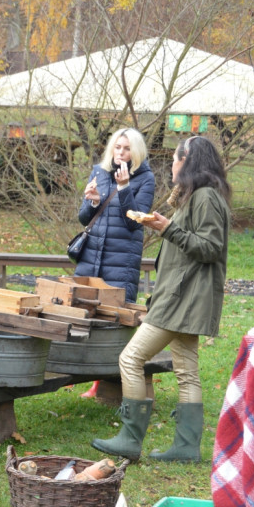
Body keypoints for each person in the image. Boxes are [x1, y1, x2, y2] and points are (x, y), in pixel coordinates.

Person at [91, 135, 230, 462]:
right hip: (183, 296)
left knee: (130, 358)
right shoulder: (195, 196)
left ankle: (130, 437)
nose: (172, 163)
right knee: (187, 372)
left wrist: (168, 229)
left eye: (176, 158)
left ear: (189, 161)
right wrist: (164, 224)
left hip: (183, 299)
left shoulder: (206, 197)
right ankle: (185, 448)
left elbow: (210, 248)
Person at [75, 127, 156, 399]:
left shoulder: (146, 179)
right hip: (92, 256)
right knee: (86, 313)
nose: (120, 153)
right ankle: (92, 378)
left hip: (120, 259)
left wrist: (123, 189)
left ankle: (122, 382)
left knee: (117, 320)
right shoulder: (99, 172)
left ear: (136, 151)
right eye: (117, 148)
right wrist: (91, 202)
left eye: (126, 148)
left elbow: (134, 222)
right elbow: (84, 218)